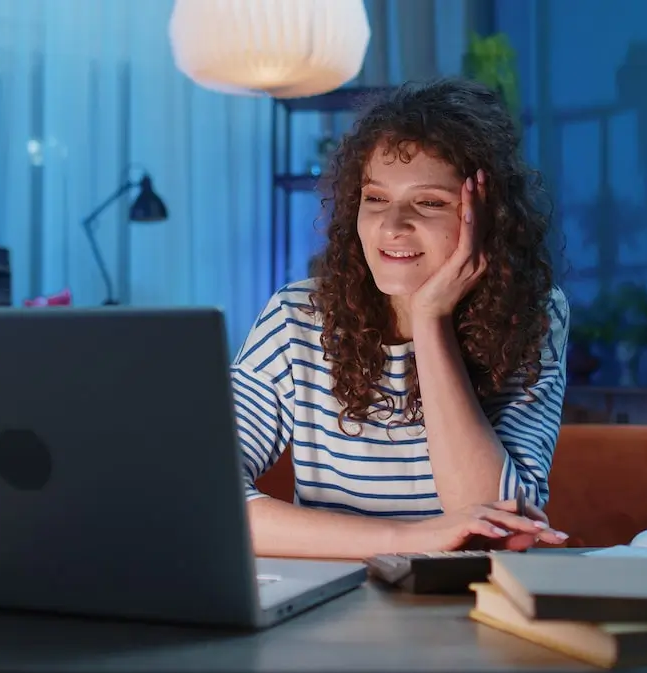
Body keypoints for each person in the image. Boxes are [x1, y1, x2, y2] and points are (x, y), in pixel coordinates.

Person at [234, 78, 570, 560]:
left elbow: (495, 522)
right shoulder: (298, 316)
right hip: (328, 605)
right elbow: (207, 495)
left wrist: (430, 317)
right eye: (375, 198)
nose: (392, 225)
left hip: (466, 607)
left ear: (486, 215)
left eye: (429, 202)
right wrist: (407, 540)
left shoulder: (533, 316)